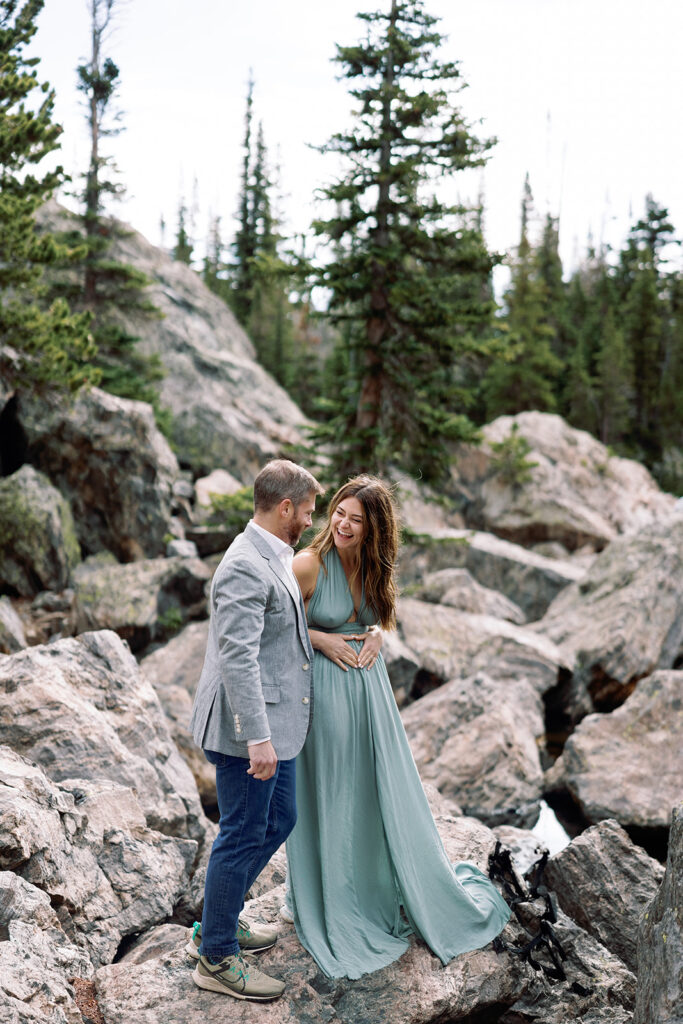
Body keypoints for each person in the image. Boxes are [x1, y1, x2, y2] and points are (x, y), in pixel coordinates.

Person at [285, 475, 511, 980]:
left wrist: (377, 637)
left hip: (373, 695)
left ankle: (377, 886)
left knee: (376, 792)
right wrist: (321, 639)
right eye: (339, 512)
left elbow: (379, 618)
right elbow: (278, 626)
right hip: (325, 694)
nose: (342, 524)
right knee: (338, 792)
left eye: (356, 519)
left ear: (373, 529)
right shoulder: (306, 565)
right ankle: (335, 896)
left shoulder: (373, 567)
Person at [188, 458, 324, 1001]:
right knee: (242, 831)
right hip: (245, 729)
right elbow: (238, 658)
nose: (311, 522)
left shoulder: (275, 554)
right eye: (308, 512)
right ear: (284, 507)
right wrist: (257, 738)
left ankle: (222, 917)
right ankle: (217, 956)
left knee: (281, 816)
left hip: (271, 724)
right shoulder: (245, 564)